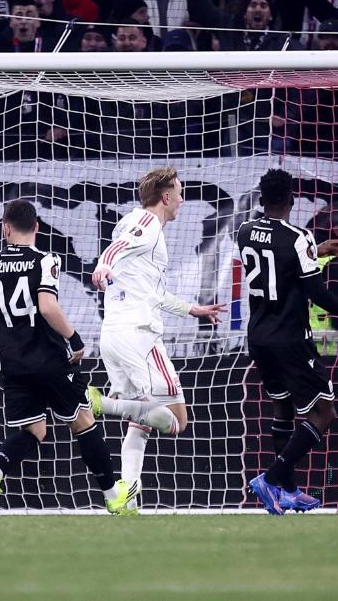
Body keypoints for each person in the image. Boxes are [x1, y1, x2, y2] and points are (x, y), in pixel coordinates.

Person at [0, 200, 137, 515]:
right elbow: (47, 307)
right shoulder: (46, 261)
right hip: (49, 359)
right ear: (36, 227)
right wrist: (74, 338)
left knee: (34, 431)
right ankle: (115, 496)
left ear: (5, 228)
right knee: (83, 422)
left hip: (14, 364)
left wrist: (10, 322)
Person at [89, 166, 225, 513]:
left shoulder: (134, 223)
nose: (182, 198)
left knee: (142, 420)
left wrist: (192, 309)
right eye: (179, 191)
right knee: (177, 420)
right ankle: (105, 404)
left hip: (115, 334)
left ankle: (127, 498)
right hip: (141, 336)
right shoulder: (147, 225)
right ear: (165, 196)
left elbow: (155, 293)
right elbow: (115, 249)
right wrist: (103, 265)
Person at [237, 169, 338, 515]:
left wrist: (314, 250)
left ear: (261, 199)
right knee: (324, 412)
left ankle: (290, 491)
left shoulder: (244, 232)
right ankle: (273, 477)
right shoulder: (300, 237)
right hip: (292, 339)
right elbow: (317, 294)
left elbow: (275, 263)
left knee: (282, 409)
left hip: (259, 337)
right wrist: (312, 249)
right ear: (293, 199)